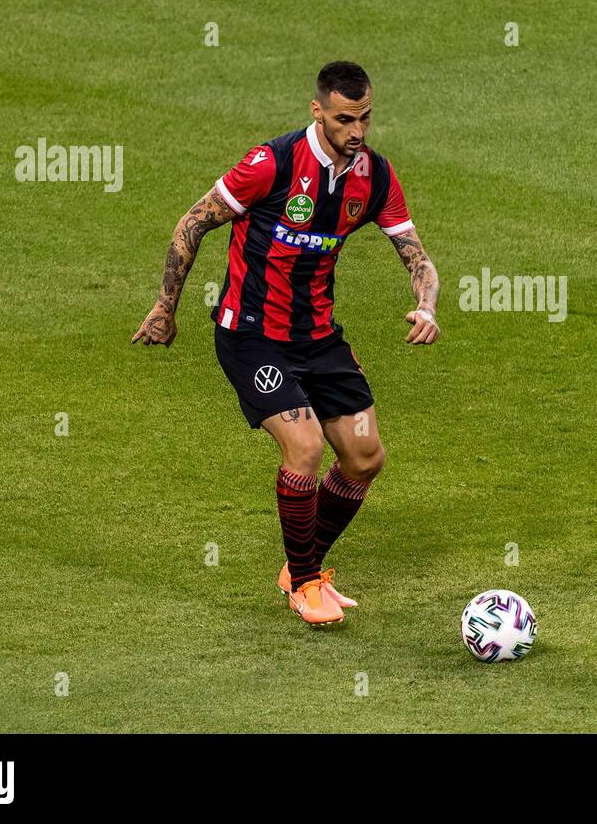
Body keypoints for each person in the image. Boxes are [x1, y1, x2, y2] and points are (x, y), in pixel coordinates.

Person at [132, 61, 440, 623]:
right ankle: (304, 584)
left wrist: (427, 303)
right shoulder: (270, 164)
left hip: (319, 340)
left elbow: (415, 253)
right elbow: (193, 223)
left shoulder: (374, 175)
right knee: (304, 447)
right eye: (346, 119)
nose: (358, 132)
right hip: (251, 336)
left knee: (366, 456)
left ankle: (304, 564)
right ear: (317, 111)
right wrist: (164, 307)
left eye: (366, 118)